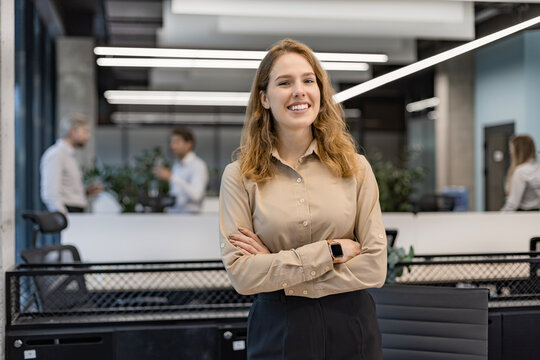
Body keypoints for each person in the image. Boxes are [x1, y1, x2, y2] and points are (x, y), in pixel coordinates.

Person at [219, 39, 387, 359]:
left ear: (320, 93)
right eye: (285, 82)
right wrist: (331, 250)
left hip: (350, 326)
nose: (299, 91)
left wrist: (278, 270)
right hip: (278, 328)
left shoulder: (355, 168)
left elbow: (374, 267)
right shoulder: (240, 177)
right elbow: (242, 274)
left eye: (308, 81)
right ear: (265, 98)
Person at [40, 113, 103, 214]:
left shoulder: (70, 156)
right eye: (85, 131)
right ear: (72, 131)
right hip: (67, 213)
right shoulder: (56, 155)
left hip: (75, 213)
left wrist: (85, 192)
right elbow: (50, 194)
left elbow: (68, 191)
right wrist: (64, 218)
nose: (88, 136)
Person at [153, 127, 209, 213]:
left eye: (176, 142)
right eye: (171, 142)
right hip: (175, 215)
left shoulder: (198, 165)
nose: (172, 146)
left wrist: (172, 178)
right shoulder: (177, 166)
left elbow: (196, 196)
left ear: (189, 144)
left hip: (191, 218)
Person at [501, 135, 540, 211]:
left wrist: (498, 218)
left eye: (511, 149)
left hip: (522, 215)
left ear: (518, 151)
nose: (510, 152)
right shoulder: (537, 167)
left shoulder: (520, 171)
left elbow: (512, 204)